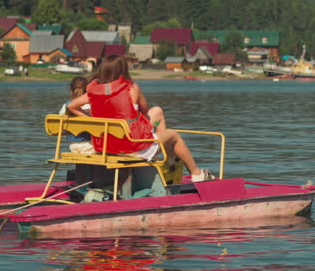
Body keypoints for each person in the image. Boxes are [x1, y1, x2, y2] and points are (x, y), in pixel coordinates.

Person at [66, 55, 213, 182]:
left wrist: (93, 120)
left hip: (107, 146)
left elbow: (71, 106)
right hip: (132, 146)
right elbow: (143, 110)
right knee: (174, 135)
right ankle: (196, 173)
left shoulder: (93, 93)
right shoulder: (131, 88)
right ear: (123, 70)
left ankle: (168, 160)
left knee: (158, 111)